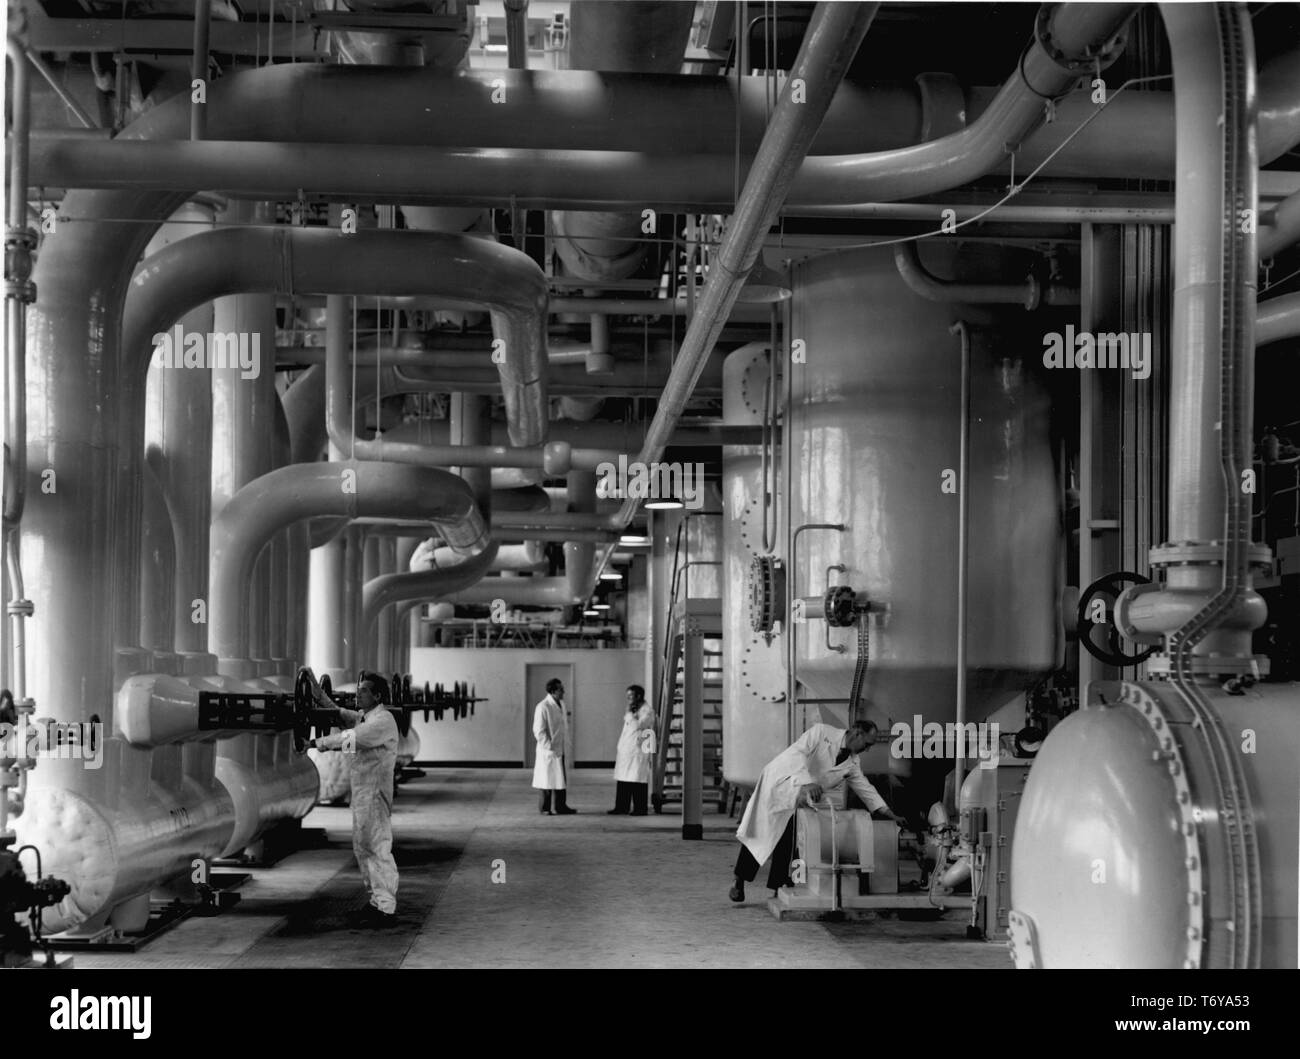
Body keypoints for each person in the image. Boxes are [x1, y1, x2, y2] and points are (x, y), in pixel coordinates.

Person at [729, 720, 905, 903]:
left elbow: (865, 789)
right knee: (761, 833)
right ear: (857, 733)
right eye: (867, 744)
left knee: (789, 840)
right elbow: (797, 754)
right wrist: (807, 782)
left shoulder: (852, 762)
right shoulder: (822, 732)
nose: (867, 749)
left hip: (802, 797)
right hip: (780, 784)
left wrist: (888, 812)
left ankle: (778, 886)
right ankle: (739, 880)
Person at [303, 668, 401, 927]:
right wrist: (317, 693)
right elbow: (338, 714)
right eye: (359, 689)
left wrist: (315, 744)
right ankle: (375, 903)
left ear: (377, 695)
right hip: (362, 794)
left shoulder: (382, 721)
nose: (358, 693)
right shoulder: (365, 718)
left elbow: (351, 739)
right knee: (363, 848)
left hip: (374, 795)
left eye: (365, 690)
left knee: (377, 847)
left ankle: (386, 908)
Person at [609, 685, 655, 816]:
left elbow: (639, 725)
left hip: (638, 751)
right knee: (623, 780)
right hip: (627, 751)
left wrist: (630, 714)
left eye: (630, 696)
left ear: (639, 696)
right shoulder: (634, 710)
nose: (628, 699)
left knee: (637, 780)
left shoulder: (648, 711)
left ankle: (640, 809)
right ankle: (621, 807)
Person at [533, 677, 576, 815]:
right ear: (552, 691)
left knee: (561, 778)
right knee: (547, 780)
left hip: (560, 747)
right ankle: (545, 808)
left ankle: (561, 806)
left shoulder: (561, 704)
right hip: (549, 751)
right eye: (560, 689)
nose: (563, 691)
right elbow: (539, 731)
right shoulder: (543, 706)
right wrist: (549, 747)